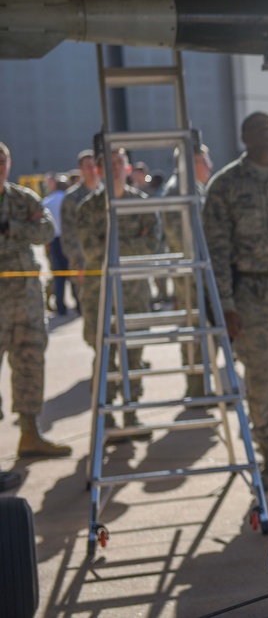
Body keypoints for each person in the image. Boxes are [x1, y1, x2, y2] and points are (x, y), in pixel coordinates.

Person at [203, 112, 268, 490]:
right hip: (250, 295)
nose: (264, 132)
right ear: (243, 136)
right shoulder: (225, 185)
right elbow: (217, 249)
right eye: (255, 127)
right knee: (261, 379)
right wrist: (225, 304)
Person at [78, 148, 159, 439]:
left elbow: (153, 247)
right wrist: (132, 243)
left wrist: (114, 244)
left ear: (127, 167)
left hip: (135, 294)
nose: (113, 167)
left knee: (134, 356)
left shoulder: (143, 204)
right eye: (106, 164)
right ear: (97, 170)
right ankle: (106, 417)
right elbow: (93, 250)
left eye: (118, 162)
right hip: (101, 295)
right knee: (104, 356)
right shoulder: (88, 208)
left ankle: (131, 413)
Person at [0, 142, 72, 464]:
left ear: (9, 163)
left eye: (2, 160)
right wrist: (22, 231)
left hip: (26, 299)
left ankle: (30, 434)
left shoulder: (22, 198)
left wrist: (11, 228)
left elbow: (46, 230)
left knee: (30, 364)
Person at [163, 143, 214, 397]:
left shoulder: (192, 188)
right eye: (204, 161)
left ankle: (202, 385)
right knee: (195, 330)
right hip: (192, 276)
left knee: (201, 330)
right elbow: (184, 238)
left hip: (196, 274)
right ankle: (197, 389)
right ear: (191, 164)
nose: (210, 166)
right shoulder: (181, 190)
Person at [62, 149, 102, 311]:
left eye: (95, 166)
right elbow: (68, 235)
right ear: (80, 169)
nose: (92, 170)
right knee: (91, 310)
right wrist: (79, 263)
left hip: (108, 262)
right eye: (88, 167)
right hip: (85, 265)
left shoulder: (108, 193)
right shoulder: (71, 198)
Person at [41, 173, 70, 316]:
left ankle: (61, 306)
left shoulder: (47, 202)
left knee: (58, 275)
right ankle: (78, 305)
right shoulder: (69, 200)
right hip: (68, 240)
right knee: (73, 272)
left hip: (53, 241)